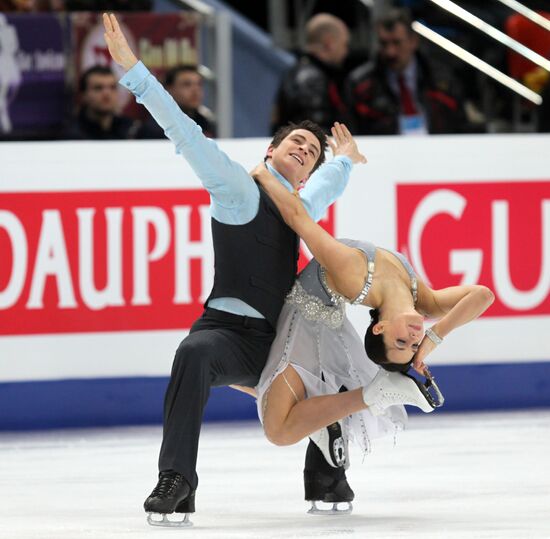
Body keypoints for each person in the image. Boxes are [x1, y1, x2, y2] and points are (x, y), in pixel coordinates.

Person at [102, 13, 367, 527]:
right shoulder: (237, 188)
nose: (304, 151)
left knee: (332, 374)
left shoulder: (299, 207)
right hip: (228, 334)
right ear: (271, 151)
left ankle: (327, 475)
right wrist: (134, 72)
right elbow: (186, 134)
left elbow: (327, 187)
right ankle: (177, 480)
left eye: (311, 153)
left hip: (281, 337)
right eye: (296, 144)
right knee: (193, 354)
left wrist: (347, 160)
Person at [248, 163, 494, 511]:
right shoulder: (422, 299)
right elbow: (483, 294)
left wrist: (263, 174)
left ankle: (357, 403)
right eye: (411, 344)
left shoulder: (353, 275)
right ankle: (328, 420)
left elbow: (299, 219)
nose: (412, 338)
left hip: (301, 321)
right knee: (251, 381)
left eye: (402, 344)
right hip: (329, 321)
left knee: (278, 429)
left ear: (378, 328)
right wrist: (432, 340)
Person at [346, 8, 471, 136]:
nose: (391, 52)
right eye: (384, 44)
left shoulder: (442, 79)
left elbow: (460, 126)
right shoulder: (360, 84)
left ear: (413, 41)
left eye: (397, 43)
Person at [271, 13, 350, 134]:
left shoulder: (297, 72)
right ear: (329, 43)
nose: (346, 52)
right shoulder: (312, 79)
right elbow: (317, 133)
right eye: (345, 44)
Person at [63, 65, 141, 140]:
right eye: (98, 88)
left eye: (112, 87)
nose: (107, 93)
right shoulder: (71, 135)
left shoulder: (132, 130)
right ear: (83, 95)